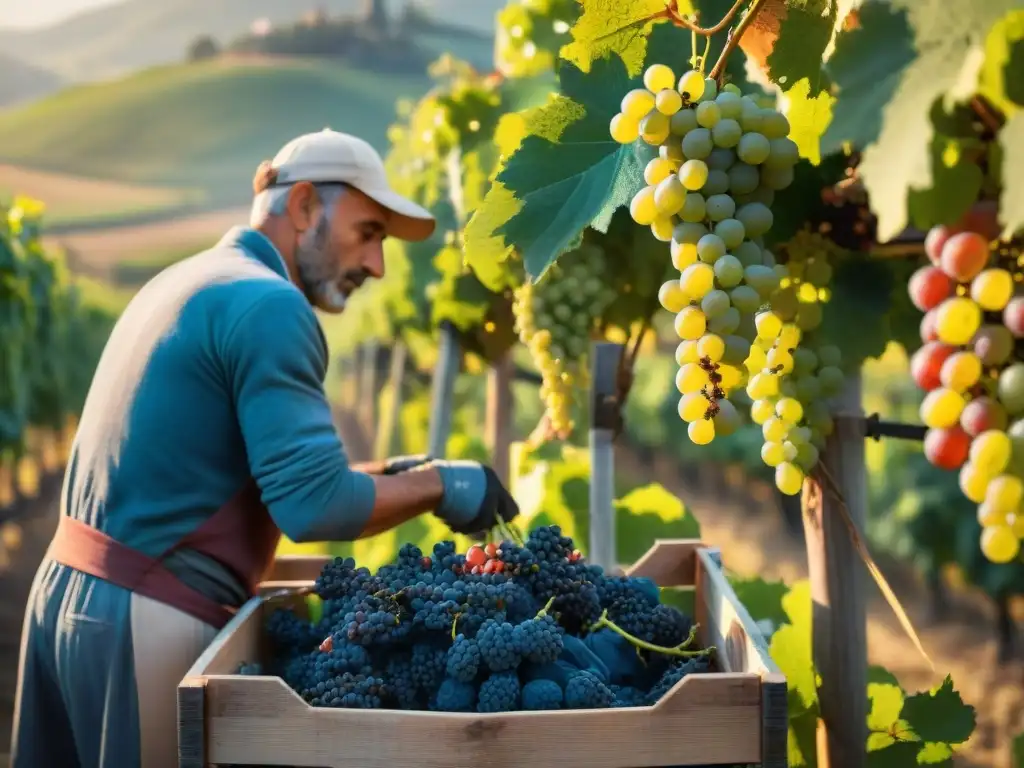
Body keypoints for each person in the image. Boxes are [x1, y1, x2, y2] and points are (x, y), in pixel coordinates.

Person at [10, 129, 519, 768]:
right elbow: (313, 508)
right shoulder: (270, 305)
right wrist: (447, 483)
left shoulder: (187, 281)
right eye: (369, 232)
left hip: (66, 595)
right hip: (147, 615)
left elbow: (270, 480)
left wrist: (394, 474)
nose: (378, 265)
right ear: (304, 205)